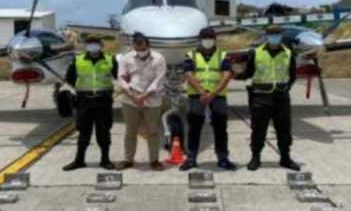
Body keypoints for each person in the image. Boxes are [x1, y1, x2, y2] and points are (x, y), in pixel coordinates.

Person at [243, 25, 300, 171]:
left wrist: (285, 88)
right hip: (261, 97)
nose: (274, 37)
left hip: (281, 97)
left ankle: (285, 158)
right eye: (271, 34)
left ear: (281, 36)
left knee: (284, 129)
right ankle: (255, 157)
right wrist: (230, 74)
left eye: (277, 34)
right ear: (266, 36)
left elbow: (292, 75)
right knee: (258, 129)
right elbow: (248, 73)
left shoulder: (288, 53)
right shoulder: (256, 53)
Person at [180, 27, 236, 171]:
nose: (208, 40)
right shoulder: (190, 55)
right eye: (205, 37)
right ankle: (191, 158)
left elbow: (227, 75)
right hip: (196, 96)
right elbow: (188, 74)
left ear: (214, 39)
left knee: (220, 128)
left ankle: (222, 158)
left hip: (217, 96)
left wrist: (212, 93)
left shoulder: (223, 55)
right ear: (200, 39)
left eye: (210, 37)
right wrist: (202, 92)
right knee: (194, 128)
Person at [63, 34, 117, 171]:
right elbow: (69, 80)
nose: (93, 45)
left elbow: (120, 77)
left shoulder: (110, 59)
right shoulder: (78, 60)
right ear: (86, 46)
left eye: (96, 42)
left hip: (103, 101)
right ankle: (79, 160)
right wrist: (70, 96)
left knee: (104, 132)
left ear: (101, 45)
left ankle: (105, 160)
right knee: (83, 132)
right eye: (90, 43)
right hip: (83, 102)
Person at [116, 32, 167, 171]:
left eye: (142, 45)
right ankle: (128, 160)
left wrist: (144, 96)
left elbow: (159, 80)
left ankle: (154, 160)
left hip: (152, 99)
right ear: (133, 45)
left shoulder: (159, 58)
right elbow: (121, 78)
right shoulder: (126, 59)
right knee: (130, 131)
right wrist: (132, 95)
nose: (139, 49)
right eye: (136, 45)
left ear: (148, 44)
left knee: (153, 131)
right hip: (130, 100)